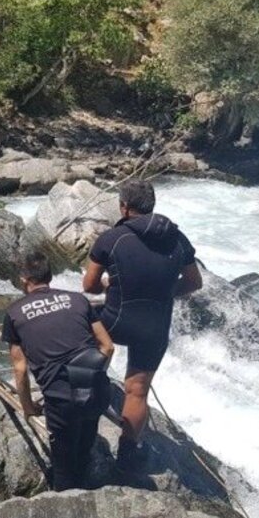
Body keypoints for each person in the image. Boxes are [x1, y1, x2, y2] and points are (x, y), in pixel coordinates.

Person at [82, 179, 202, 469]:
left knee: (81, 321)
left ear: (124, 207)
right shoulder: (178, 238)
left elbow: (89, 286)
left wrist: (110, 285)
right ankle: (127, 453)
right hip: (155, 326)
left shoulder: (112, 238)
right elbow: (194, 282)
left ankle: (87, 392)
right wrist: (163, 292)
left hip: (116, 321)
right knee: (137, 390)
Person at [2, 251, 115, 492]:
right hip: (96, 392)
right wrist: (92, 376)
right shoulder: (78, 299)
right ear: (50, 276)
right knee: (83, 453)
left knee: (64, 471)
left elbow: (20, 369)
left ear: (24, 280)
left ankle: (68, 505)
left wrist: (27, 406)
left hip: (62, 402)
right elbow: (107, 347)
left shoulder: (14, 313)